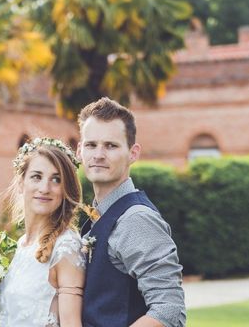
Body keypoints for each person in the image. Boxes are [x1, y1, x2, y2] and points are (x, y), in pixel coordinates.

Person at [0, 138, 86, 327]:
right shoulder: (23, 244)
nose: (45, 188)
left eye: (56, 179)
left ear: (66, 189)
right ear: (21, 182)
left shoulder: (66, 248)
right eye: (36, 177)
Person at [77, 97, 186, 327]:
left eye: (111, 145)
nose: (98, 154)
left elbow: (169, 309)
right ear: (79, 151)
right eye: (91, 145)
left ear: (133, 153)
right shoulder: (96, 215)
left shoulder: (136, 219)